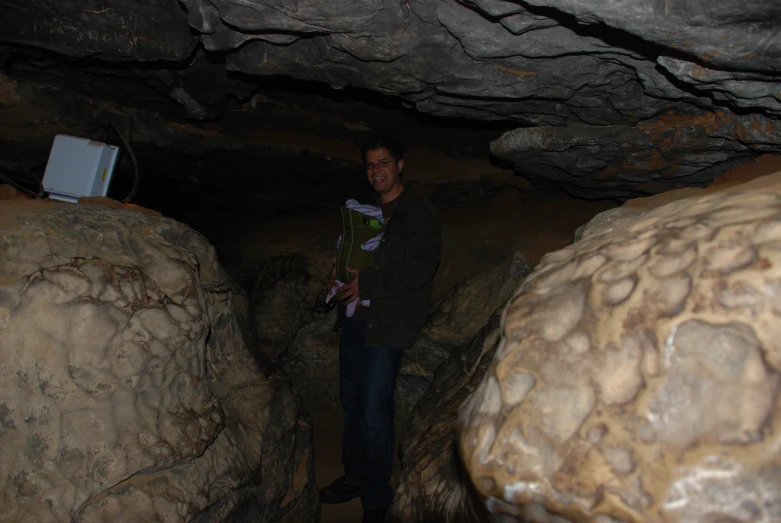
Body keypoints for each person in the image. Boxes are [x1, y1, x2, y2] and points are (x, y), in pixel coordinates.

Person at [319, 133, 442, 523]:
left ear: (400, 165)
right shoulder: (363, 211)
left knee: (374, 410)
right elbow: (350, 252)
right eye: (371, 164)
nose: (377, 171)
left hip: (386, 326)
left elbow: (421, 267)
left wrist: (367, 284)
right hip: (353, 320)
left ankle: (376, 495)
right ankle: (356, 475)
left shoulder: (417, 211)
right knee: (352, 403)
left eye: (384, 163)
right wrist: (336, 275)